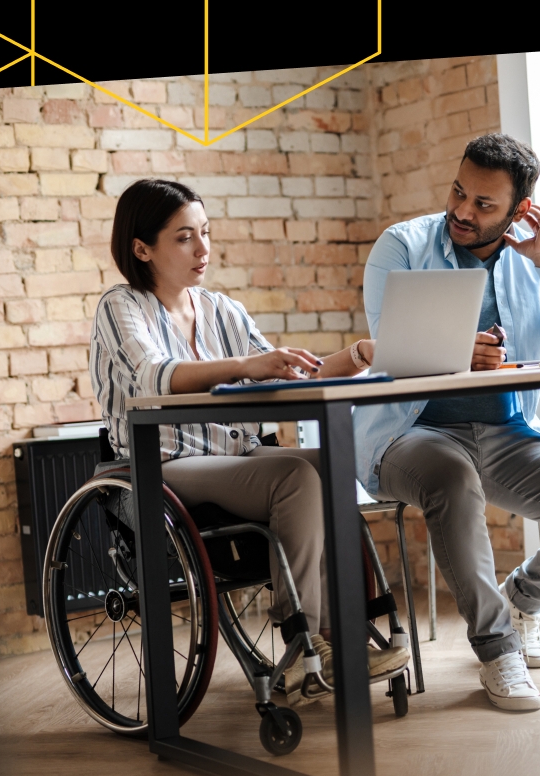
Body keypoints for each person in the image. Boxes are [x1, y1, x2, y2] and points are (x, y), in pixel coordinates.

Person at [89, 178, 406, 700]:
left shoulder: (222, 310)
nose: (203, 248)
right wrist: (243, 365)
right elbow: (153, 376)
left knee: (329, 462)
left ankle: (337, 636)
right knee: (294, 475)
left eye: (206, 232)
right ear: (142, 248)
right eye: (184, 237)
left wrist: (359, 354)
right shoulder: (121, 307)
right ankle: (304, 641)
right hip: (161, 465)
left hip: (236, 456)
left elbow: (289, 373)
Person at [355, 134, 540, 712]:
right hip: (412, 435)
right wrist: (458, 353)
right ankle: (497, 649)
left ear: (519, 209)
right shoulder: (401, 246)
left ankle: (523, 598)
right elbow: (391, 349)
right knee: (452, 477)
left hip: (507, 437)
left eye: (484, 204)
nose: (463, 210)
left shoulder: (529, 261)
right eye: (459, 192)